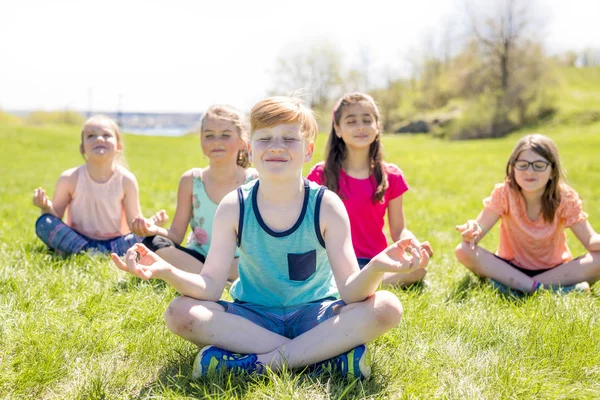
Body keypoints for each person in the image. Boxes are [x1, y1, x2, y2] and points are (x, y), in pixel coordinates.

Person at [111, 96, 429, 380]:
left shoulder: (326, 205)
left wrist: (375, 267)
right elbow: (209, 287)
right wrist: (166, 271)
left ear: (307, 150)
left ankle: (260, 363)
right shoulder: (235, 206)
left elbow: (349, 292)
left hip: (316, 314)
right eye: (265, 138)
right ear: (251, 150)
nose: (276, 146)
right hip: (253, 317)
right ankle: (322, 358)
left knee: (386, 307)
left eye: (289, 139)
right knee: (180, 312)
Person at [307, 92, 432, 286]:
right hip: (333, 262)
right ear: (338, 129)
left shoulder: (391, 175)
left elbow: (399, 230)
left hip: (376, 263)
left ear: (377, 127)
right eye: (351, 121)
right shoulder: (321, 174)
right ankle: (353, 284)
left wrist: (412, 244)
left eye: (367, 120)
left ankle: (360, 284)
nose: (360, 127)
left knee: (418, 271)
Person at [455, 133, 600, 293]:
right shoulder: (504, 193)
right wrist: (471, 231)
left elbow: (591, 240)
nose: (530, 172)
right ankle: (554, 289)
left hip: (555, 271)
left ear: (552, 171)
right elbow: (478, 230)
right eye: (523, 165)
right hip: (511, 267)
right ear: (513, 168)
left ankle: (515, 286)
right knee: (463, 250)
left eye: (538, 165)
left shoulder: (565, 197)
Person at [131, 105, 258, 278]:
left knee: (265, 258)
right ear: (201, 140)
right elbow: (176, 235)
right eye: (209, 135)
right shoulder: (191, 180)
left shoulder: (253, 181)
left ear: (242, 141)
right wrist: (152, 229)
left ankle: (205, 277)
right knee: (152, 243)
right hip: (198, 257)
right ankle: (213, 276)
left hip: (238, 260)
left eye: (225, 135)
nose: (216, 141)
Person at [33, 115, 163, 256]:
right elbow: (55, 217)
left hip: (115, 242)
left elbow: (135, 223)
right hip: (76, 238)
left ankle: (83, 253)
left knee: (151, 238)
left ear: (118, 146)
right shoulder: (69, 178)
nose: (99, 139)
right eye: (91, 136)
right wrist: (45, 207)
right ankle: (90, 251)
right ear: (83, 148)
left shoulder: (126, 180)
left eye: (106, 135)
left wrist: (149, 224)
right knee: (44, 223)